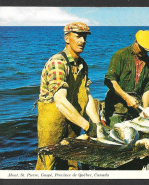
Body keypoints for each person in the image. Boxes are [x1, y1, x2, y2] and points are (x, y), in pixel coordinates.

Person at [35, 22, 101, 170]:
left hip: (72, 120)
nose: (82, 41)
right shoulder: (58, 62)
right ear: (67, 38)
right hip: (52, 122)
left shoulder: (82, 64)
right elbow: (60, 102)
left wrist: (97, 125)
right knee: (47, 163)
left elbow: (87, 97)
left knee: (72, 162)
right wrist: (86, 125)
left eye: (84, 37)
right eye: (78, 36)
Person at [104, 30, 149, 127]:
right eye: (142, 49)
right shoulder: (120, 55)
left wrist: (145, 111)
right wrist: (126, 97)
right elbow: (110, 81)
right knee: (117, 135)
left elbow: (147, 88)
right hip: (116, 107)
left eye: (147, 50)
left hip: (135, 107)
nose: (144, 53)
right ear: (135, 42)